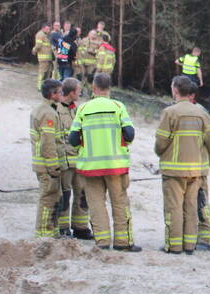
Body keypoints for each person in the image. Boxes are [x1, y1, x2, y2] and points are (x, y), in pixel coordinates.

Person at [68, 73, 142, 252]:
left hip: (91, 167)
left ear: (93, 88)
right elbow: (130, 134)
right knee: (120, 202)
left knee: (96, 204)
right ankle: (123, 243)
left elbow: (73, 138)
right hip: (116, 165)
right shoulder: (118, 107)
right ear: (109, 88)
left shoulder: (83, 108)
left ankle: (102, 242)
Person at [154, 76, 210, 254]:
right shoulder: (202, 113)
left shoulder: (169, 112)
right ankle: (190, 245)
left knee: (174, 208)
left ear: (175, 90)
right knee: (192, 207)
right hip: (196, 170)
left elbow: (161, 142)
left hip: (174, 170)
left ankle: (174, 246)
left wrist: (161, 153)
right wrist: (207, 156)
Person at [56, 78, 92, 239]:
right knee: (64, 195)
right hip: (65, 162)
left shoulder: (77, 110)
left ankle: (81, 227)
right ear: (71, 93)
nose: (80, 93)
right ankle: (62, 228)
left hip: (79, 161)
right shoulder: (56, 110)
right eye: (78, 91)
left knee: (83, 194)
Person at [31, 79, 63, 237]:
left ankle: (51, 230)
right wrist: (54, 167)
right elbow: (48, 143)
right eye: (60, 92)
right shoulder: (48, 113)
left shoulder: (43, 109)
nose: (62, 95)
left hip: (42, 164)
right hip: (46, 166)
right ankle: (43, 232)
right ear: (53, 94)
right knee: (48, 199)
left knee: (53, 197)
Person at [32, 22, 54, 90]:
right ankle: (39, 86)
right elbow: (38, 45)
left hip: (48, 58)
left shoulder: (46, 35)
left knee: (48, 72)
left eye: (49, 29)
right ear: (43, 28)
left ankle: (45, 86)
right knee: (42, 72)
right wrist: (34, 50)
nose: (48, 30)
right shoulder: (40, 34)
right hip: (43, 58)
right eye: (47, 29)